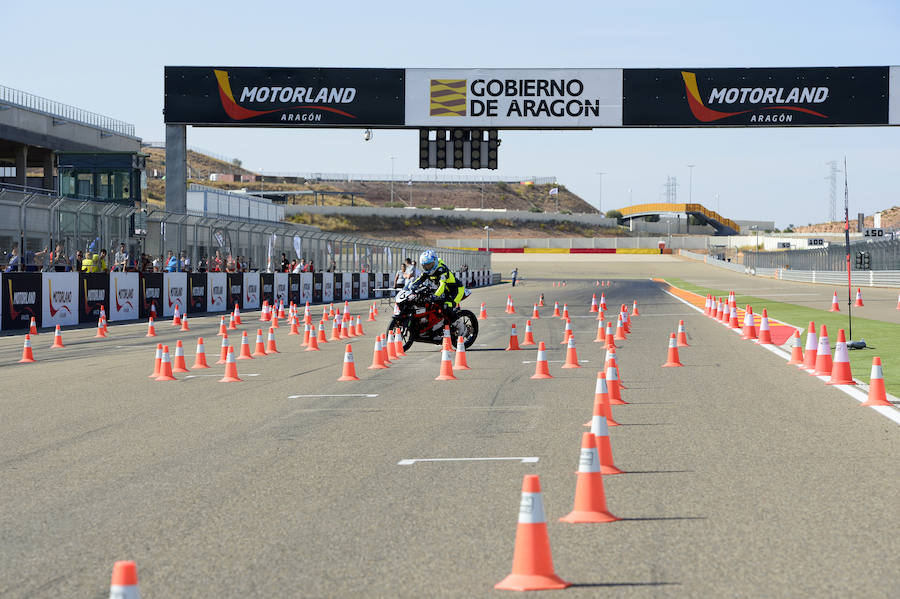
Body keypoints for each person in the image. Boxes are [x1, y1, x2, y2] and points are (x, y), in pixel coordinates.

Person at [411, 249, 466, 324]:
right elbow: (419, 280)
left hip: (456, 290)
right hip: (444, 291)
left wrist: (435, 296)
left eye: (429, 264)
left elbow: (442, 285)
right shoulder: (427, 271)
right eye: (425, 266)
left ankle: (459, 325)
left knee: (447, 306)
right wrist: (411, 287)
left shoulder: (441, 270)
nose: (428, 267)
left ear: (435, 261)